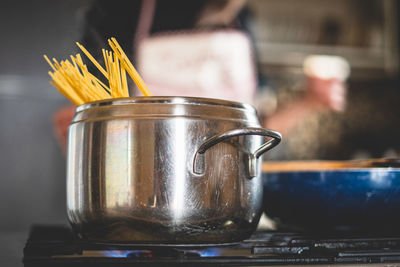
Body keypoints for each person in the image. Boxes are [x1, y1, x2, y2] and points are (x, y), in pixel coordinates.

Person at [53, 0, 347, 150]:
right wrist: (81, 128)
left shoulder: (239, 17)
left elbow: (254, 130)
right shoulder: (119, 11)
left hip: (233, 193)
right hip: (144, 192)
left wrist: (308, 101)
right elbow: (96, 120)